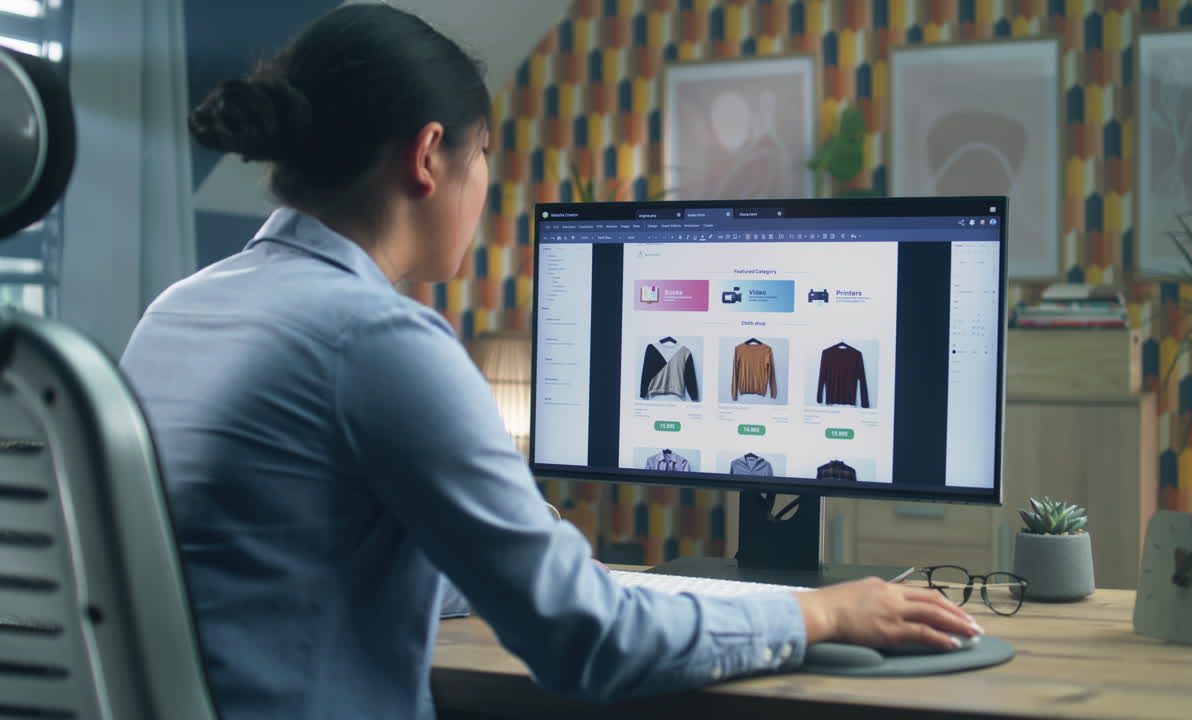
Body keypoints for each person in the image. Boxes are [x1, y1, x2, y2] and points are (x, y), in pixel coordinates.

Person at [121, 5, 981, 719]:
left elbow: (282, 565)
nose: (485, 179)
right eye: (485, 151)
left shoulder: (179, 311)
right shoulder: (376, 340)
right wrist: (821, 611)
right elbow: (587, 642)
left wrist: (540, 570)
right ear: (429, 157)